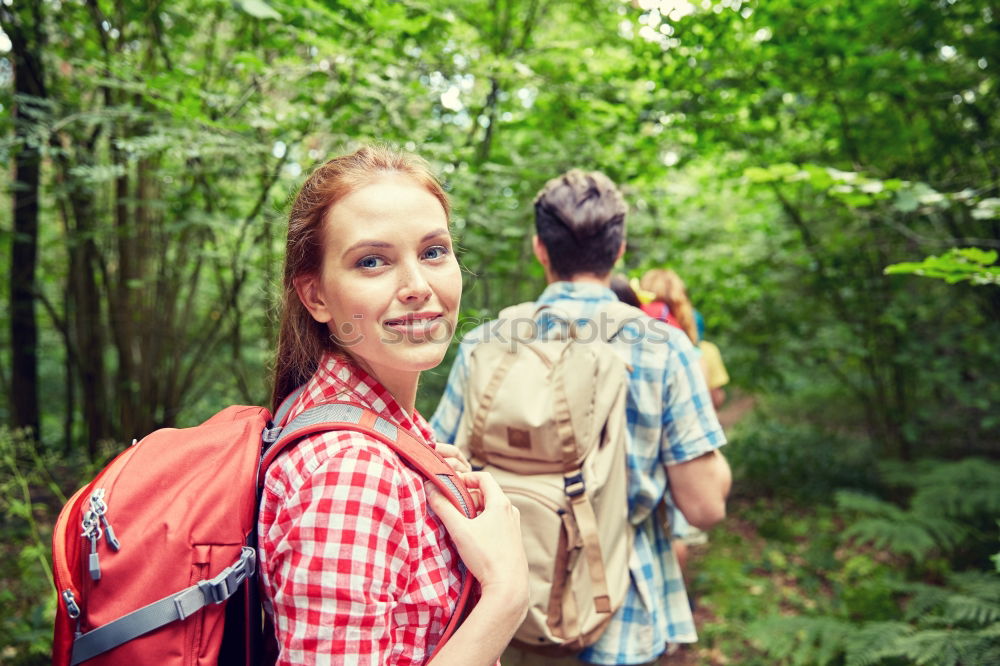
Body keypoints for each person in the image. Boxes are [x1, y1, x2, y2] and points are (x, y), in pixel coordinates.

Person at [432, 169, 731, 665]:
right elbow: (703, 508)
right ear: (619, 251)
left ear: (540, 249)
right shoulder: (664, 347)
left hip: (505, 617)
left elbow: (445, 474)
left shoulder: (488, 343)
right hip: (621, 616)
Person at [259, 145, 530, 666]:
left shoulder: (380, 424)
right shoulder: (352, 470)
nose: (417, 287)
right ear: (315, 296)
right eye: (372, 261)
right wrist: (506, 596)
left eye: (433, 252)